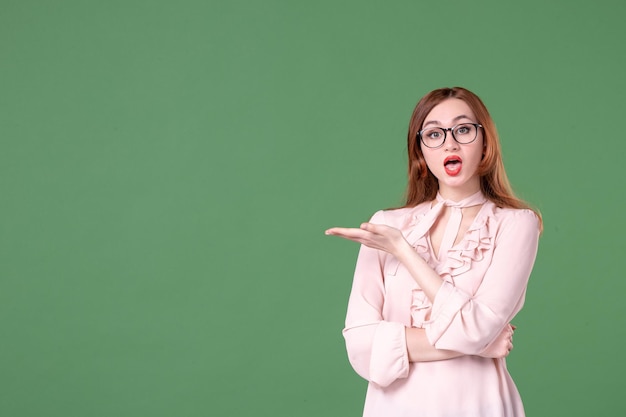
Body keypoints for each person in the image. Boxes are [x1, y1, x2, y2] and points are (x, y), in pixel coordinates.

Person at [325, 87, 542, 417]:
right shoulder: (386, 225)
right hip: (393, 407)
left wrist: (403, 250)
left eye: (463, 129)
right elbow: (360, 346)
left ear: (485, 142)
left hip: (478, 404)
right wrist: (477, 345)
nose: (450, 143)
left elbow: (478, 329)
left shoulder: (516, 224)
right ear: (420, 152)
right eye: (434, 134)